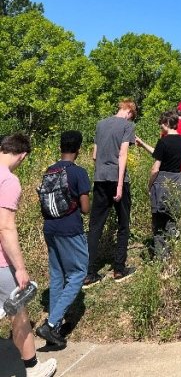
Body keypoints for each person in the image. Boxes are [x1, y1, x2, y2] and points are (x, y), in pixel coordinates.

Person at [0, 133, 57, 377]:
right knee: (19, 311)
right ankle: (32, 367)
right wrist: (20, 267)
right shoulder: (9, 181)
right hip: (2, 263)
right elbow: (5, 226)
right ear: (22, 155)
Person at [36, 131, 90, 348]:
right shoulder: (78, 173)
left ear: (60, 147)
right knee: (78, 273)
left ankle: (55, 326)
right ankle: (49, 324)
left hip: (50, 228)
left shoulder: (50, 171)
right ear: (78, 149)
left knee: (57, 275)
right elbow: (85, 208)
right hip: (70, 229)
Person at [84, 99, 137, 287]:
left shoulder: (100, 124)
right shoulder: (128, 126)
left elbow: (94, 155)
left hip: (100, 179)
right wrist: (120, 185)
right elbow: (123, 155)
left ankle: (89, 273)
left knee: (95, 226)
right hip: (117, 179)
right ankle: (119, 269)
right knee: (123, 224)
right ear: (130, 112)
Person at [136, 101, 181, 187]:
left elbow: (160, 153)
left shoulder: (168, 127)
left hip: (164, 173)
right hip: (180, 172)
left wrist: (142, 144)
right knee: (177, 198)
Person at [148, 111, 181, 260]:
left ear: (165, 123)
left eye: (161, 124)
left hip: (162, 180)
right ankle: (170, 254)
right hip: (177, 180)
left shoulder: (163, 142)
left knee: (158, 220)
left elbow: (155, 168)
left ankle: (160, 255)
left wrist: (149, 184)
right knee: (172, 217)